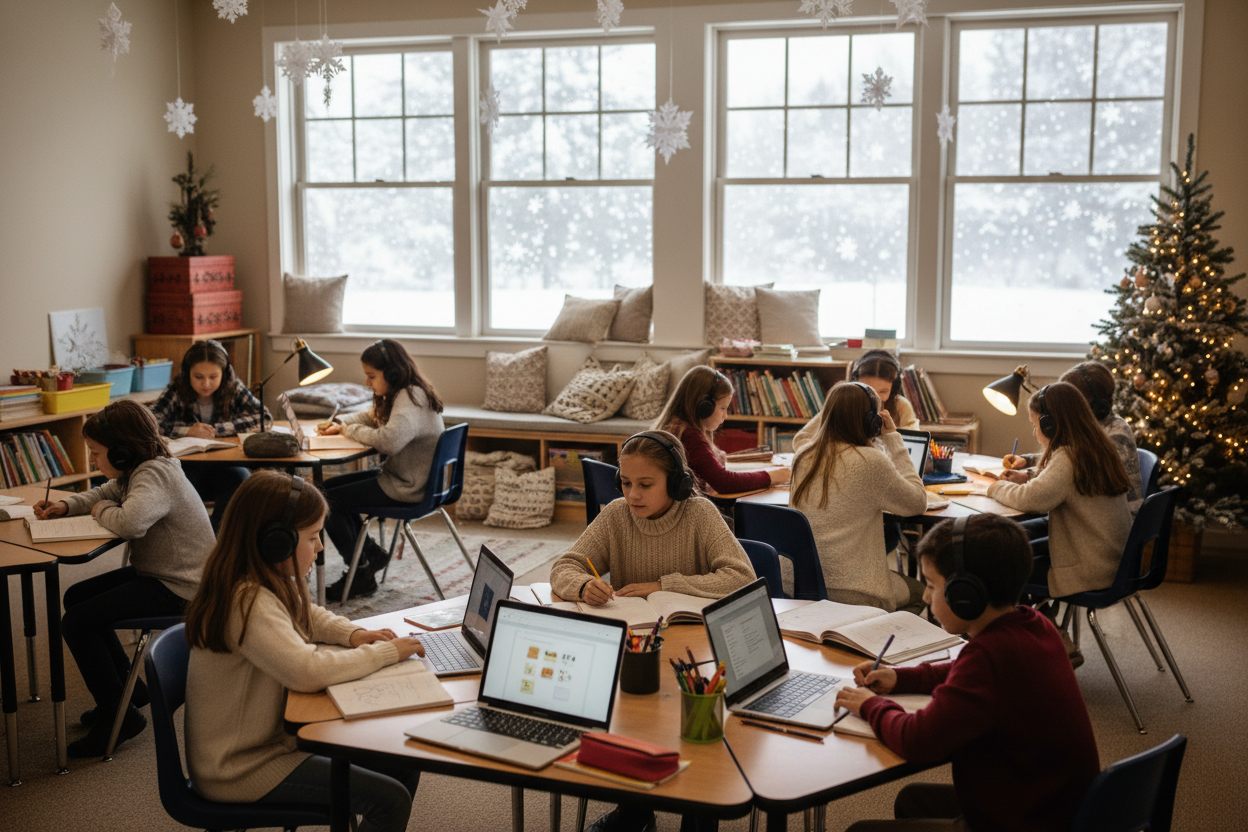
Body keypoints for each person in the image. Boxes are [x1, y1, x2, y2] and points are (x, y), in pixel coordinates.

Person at [183, 470, 424, 832]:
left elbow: (307, 614)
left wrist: (354, 633)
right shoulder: (247, 600)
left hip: (268, 744)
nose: (321, 547)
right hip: (240, 767)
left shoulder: (258, 577)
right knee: (389, 799)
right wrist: (385, 654)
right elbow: (306, 671)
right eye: (313, 537)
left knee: (402, 760)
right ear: (275, 542)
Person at [836, 514, 1100, 832]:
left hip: (1027, 821)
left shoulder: (990, 655)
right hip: (1052, 807)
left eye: (932, 585)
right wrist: (901, 677)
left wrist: (868, 704)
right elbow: (967, 673)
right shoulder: (1032, 622)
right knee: (912, 799)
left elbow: (917, 740)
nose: (924, 596)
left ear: (965, 593)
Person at [550, 430, 755, 832]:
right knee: (629, 722)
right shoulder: (615, 516)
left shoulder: (700, 514)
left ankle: (699, 812)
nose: (633, 495)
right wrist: (581, 585)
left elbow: (741, 577)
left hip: (695, 654)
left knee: (695, 736)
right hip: (638, 650)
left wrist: (667, 585)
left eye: (646, 484)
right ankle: (635, 811)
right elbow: (563, 566)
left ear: (676, 482)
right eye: (625, 483)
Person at [33, 400, 214, 757]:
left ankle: (120, 716)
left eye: (96, 454)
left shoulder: (154, 475)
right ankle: (127, 694)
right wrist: (67, 505)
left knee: (77, 622)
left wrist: (99, 510)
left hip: (183, 587)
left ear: (120, 452)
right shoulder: (137, 469)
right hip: (163, 575)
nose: (92, 461)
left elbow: (131, 521)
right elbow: (105, 492)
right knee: (78, 596)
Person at [317, 338, 446, 600]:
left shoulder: (410, 399)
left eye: (371, 376)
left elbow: (389, 441)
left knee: (325, 501)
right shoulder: (406, 392)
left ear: (393, 373)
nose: (368, 383)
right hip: (411, 479)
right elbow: (369, 416)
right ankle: (370, 555)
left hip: (408, 486)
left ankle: (362, 571)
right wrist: (339, 421)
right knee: (325, 491)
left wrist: (347, 430)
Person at [790, 381, 929, 612]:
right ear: (872, 423)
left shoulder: (803, 455)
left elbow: (804, 437)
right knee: (922, 594)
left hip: (801, 585)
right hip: (855, 592)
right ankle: (875, 641)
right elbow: (917, 503)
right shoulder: (870, 461)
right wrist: (893, 437)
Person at [989, 382, 1133, 602]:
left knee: (995, 570)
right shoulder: (1095, 445)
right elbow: (1063, 484)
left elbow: (1031, 499)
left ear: (1050, 426)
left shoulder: (1069, 456)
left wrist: (994, 487)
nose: (1035, 432)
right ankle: (1042, 620)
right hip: (1112, 561)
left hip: (1090, 569)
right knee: (1015, 546)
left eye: (1035, 425)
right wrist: (1031, 476)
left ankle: (1030, 628)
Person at [149, 339, 269, 530]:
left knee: (242, 483)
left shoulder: (233, 387)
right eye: (198, 376)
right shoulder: (176, 390)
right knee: (175, 490)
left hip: (224, 466)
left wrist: (217, 429)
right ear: (187, 373)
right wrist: (187, 430)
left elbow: (264, 417)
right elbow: (151, 421)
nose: (206, 383)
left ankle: (217, 542)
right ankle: (198, 541)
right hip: (186, 467)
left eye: (213, 376)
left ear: (224, 373)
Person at [1002, 361, 1144, 513]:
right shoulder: (1090, 427)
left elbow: (1067, 473)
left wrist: (1024, 477)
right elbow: (1069, 462)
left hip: (1121, 523)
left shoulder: (1116, 436)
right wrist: (1028, 461)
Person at [653, 366, 789, 523]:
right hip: (684, 520)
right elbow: (725, 482)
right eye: (723, 408)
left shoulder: (677, 426)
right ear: (704, 407)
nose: (725, 415)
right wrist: (772, 476)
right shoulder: (690, 436)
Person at [793, 349, 919, 454]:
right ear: (854, 382)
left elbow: (915, 447)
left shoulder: (901, 406)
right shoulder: (843, 403)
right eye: (868, 389)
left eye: (883, 392)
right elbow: (801, 440)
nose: (874, 398)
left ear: (894, 388)